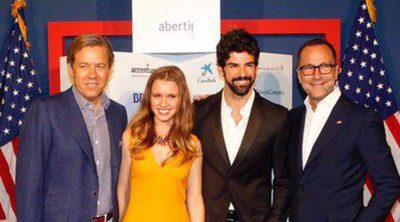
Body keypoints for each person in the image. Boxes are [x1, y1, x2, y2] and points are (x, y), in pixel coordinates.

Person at [285, 38, 400, 221]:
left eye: (324, 66)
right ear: (298, 75)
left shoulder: (361, 119)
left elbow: (389, 183)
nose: (317, 75)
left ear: (337, 70)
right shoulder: (293, 118)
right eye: (308, 68)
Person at [16, 34, 127, 222]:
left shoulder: (118, 113)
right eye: (84, 66)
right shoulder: (45, 111)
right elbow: (29, 186)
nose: (93, 74)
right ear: (71, 69)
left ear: (110, 70)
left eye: (100, 66)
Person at [194, 29, 289, 222]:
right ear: (221, 70)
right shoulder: (198, 112)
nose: (243, 73)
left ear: (256, 67)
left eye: (249, 65)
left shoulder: (277, 117)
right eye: (234, 66)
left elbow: (283, 180)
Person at [118, 65, 204, 222]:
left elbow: (194, 198)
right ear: (149, 98)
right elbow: (123, 189)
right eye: (157, 95)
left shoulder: (192, 144)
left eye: (171, 96)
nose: (163, 103)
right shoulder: (131, 137)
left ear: (181, 100)